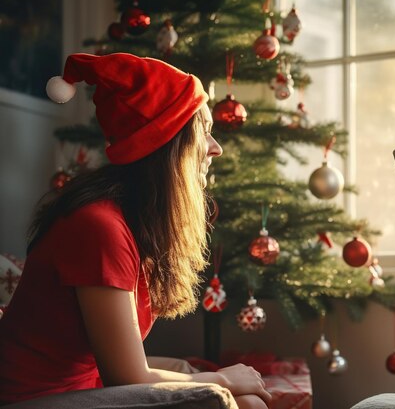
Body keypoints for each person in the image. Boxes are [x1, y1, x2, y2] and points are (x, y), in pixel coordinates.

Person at [0, 53, 271, 409]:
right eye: (203, 132)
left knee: (241, 395)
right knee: (232, 400)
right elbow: (127, 377)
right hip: (34, 399)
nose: (215, 148)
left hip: (85, 382)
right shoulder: (99, 226)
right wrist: (220, 379)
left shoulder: (135, 220)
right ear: (168, 144)